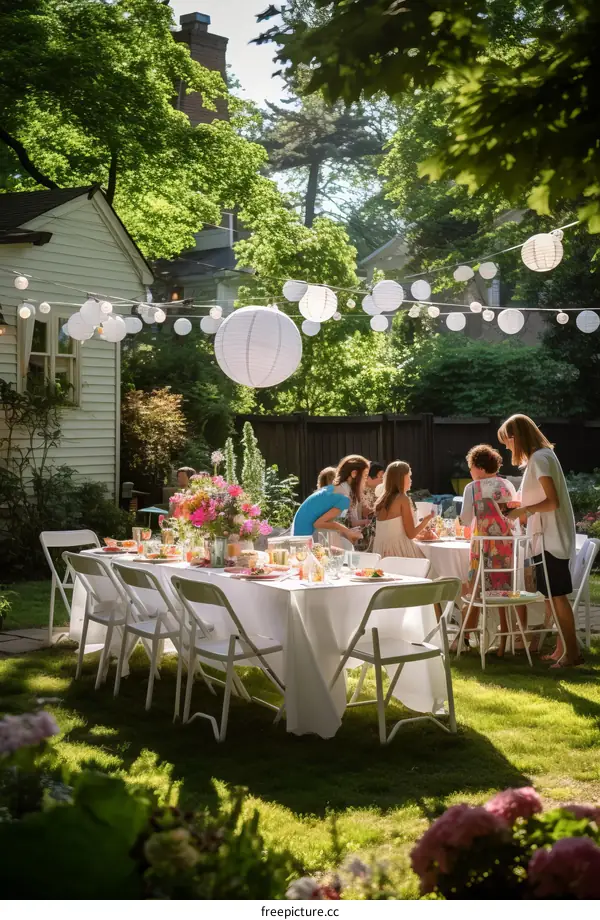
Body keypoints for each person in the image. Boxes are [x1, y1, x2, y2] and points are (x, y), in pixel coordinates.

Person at [498, 414, 579, 667]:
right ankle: (563, 649)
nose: (507, 447)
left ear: (516, 437)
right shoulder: (542, 456)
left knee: (557, 596)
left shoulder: (540, 458)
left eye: (507, 442)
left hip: (550, 538)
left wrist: (524, 511)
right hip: (545, 537)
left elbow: (551, 501)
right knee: (551, 596)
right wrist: (520, 505)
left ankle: (573, 654)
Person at [459, 444, 521, 655]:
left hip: (483, 546)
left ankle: (465, 636)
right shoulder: (507, 485)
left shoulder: (473, 488)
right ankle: (503, 642)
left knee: (475, 589)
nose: (470, 472)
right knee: (504, 591)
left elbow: (466, 520)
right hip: (505, 545)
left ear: (480, 467)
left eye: (471, 467)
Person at [291, 455, 369, 542]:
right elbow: (319, 523)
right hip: (304, 537)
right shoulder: (343, 497)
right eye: (365, 476)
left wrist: (347, 531)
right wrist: (347, 531)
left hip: (301, 534)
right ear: (354, 474)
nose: (365, 481)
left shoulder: (334, 489)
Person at [373, 461, 435, 559]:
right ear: (400, 478)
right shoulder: (402, 498)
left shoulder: (382, 499)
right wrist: (426, 520)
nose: (411, 480)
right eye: (409, 476)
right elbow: (411, 534)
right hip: (398, 552)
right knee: (432, 567)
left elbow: (395, 531)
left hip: (381, 552)